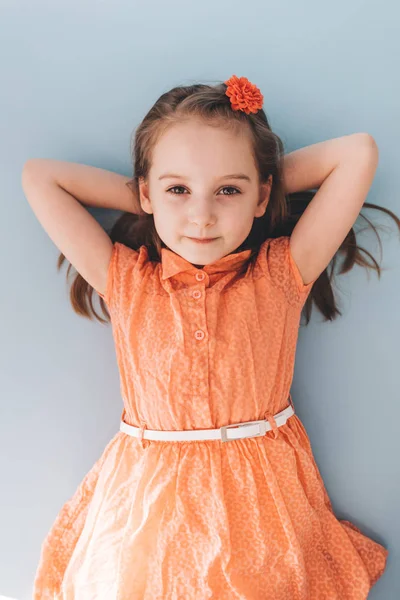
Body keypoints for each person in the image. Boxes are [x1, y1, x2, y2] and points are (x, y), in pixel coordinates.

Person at [22, 75, 398, 599]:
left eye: (228, 190)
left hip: (259, 497)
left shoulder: (280, 272)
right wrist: (154, 197)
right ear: (148, 191)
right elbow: (40, 178)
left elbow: (358, 153)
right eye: (179, 189)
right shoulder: (129, 280)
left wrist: (253, 189)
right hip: (149, 498)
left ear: (262, 193)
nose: (201, 215)